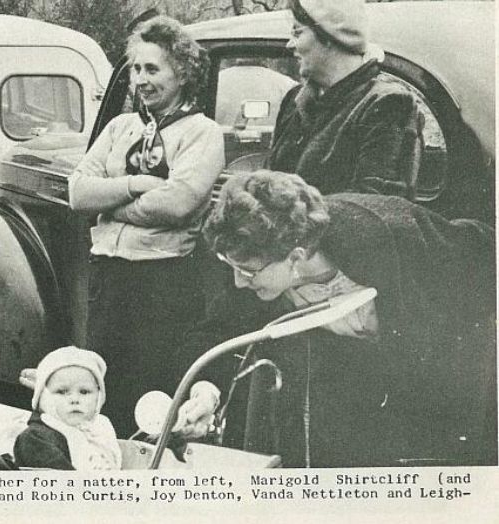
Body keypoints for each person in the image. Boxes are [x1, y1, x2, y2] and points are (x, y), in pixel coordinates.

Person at [177, 170, 496, 467]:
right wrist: (206, 393)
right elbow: (220, 329)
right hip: (353, 377)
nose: (238, 281)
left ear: (296, 258)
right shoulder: (254, 254)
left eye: (247, 271)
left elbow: (481, 251)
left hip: (449, 358)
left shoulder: (387, 234)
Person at [67, 15, 224, 435]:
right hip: (108, 277)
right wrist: (135, 184)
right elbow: (78, 192)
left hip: (163, 282)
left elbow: (177, 204)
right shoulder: (120, 127)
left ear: (183, 73)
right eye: (135, 69)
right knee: (104, 385)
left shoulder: (202, 133)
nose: (140, 79)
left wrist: (110, 204)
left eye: (152, 69)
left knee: (154, 394)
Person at [267, 0, 424, 199]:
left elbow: (374, 208)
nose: (290, 44)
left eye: (297, 32)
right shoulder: (294, 100)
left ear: (329, 36)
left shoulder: (388, 104)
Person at [14, 346, 122, 470]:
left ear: (99, 397)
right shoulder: (35, 437)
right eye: (62, 392)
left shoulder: (100, 429)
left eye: (84, 392)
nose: (74, 399)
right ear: (44, 397)